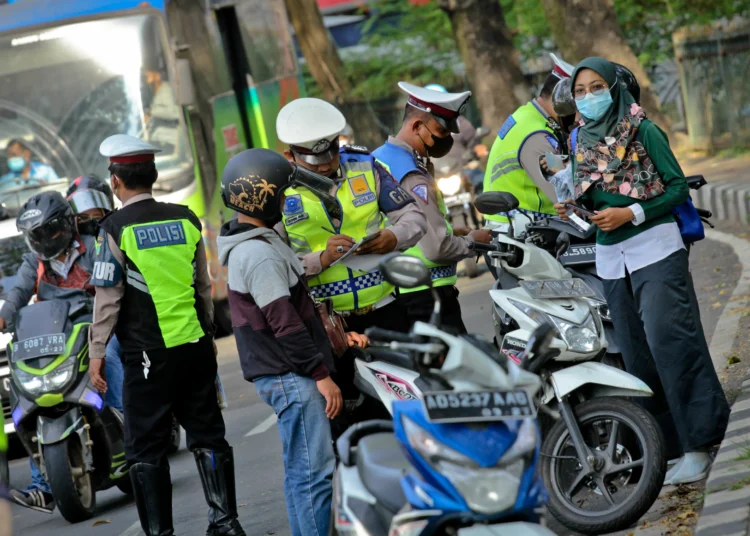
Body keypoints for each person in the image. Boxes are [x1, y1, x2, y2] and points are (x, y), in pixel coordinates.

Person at [554, 57, 730, 486]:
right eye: (580, 91)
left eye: (597, 87)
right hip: (612, 259)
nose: (588, 96)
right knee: (637, 357)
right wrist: (577, 210)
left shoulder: (644, 129)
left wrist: (631, 212)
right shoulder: (580, 141)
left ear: (616, 87)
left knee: (672, 343)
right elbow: (595, 202)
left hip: (656, 249)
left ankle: (699, 442)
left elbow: (674, 188)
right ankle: (666, 449)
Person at [88, 135, 244, 536]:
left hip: (146, 356)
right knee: (208, 434)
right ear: (154, 176)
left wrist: (96, 354)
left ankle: (160, 533)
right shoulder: (186, 219)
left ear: (116, 182)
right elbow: (203, 287)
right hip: (194, 347)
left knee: (144, 450)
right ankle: (226, 523)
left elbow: (107, 301)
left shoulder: (114, 228)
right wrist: (207, 334)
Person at [217, 148, 368, 536]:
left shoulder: (257, 242)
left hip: (288, 372)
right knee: (315, 476)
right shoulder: (258, 254)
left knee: (301, 475)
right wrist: (321, 374)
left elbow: (296, 309)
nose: (286, 201)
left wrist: (335, 336)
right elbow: (284, 323)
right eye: (282, 194)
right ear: (263, 198)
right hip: (293, 376)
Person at [0, 191, 119, 513]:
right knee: (25, 393)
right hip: (58, 337)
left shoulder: (96, 246)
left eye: (47, 231)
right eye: (35, 235)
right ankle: (43, 486)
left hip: (101, 329)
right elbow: (18, 292)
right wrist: (4, 313)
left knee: (114, 361)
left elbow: (114, 285)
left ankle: (132, 433)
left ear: (67, 225)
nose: (43, 240)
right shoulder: (33, 263)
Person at [274, 98, 427, 336]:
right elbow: (275, 266)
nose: (325, 167)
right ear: (290, 155)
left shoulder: (365, 166)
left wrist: (394, 237)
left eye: (331, 155)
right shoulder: (278, 189)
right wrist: (322, 259)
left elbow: (414, 218)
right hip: (329, 325)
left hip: (386, 310)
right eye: (315, 163)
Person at [372, 82, 491, 333]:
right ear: (417, 126)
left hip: (397, 291)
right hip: (426, 295)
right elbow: (436, 249)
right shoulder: (410, 172)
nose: (446, 139)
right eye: (441, 131)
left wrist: (449, 229)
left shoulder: (378, 158)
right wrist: (473, 242)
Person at [482, 54, 575, 223]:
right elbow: (565, 195)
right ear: (566, 101)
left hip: (517, 226)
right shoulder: (537, 137)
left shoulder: (529, 116)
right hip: (524, 232)